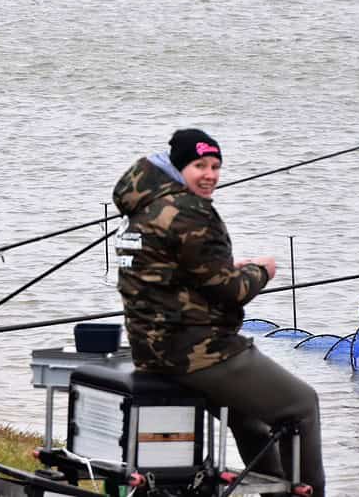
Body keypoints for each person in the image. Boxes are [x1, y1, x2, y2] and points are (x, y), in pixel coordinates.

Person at [112, 128, 325, 496]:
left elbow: (178, 275)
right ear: (179, 168)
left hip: (151, 350)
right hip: (198, 353)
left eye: (215, 166)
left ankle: (277, 491)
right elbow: (231, 292)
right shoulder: (190, 211)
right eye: (199, 165)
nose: (209, 174)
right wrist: (262, 269)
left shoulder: (147, 207)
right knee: (302, 406)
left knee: (252, 421)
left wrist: (230, 268)